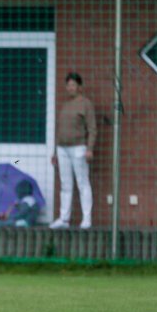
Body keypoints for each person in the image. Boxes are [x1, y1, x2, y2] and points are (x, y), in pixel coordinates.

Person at [50, 72, 96, 230]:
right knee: (65, 184)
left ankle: (87, 219)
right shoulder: (65, 105)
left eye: (73, 85)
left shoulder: (85, 104)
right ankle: (64, 219)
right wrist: (55, 152)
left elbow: (92, 128)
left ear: (79, 87)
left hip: (78, 148)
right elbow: (60, 129)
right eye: (68, 85)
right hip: (62, 149)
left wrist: (89, 149)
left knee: (83, 183)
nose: (70, 88)